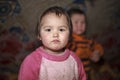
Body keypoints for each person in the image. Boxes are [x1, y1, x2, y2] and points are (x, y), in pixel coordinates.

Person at [18, 6, 86, 80]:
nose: (55, 34)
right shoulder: (32, 61)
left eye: (61, 29)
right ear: (39, 35)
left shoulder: (74, 60)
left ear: (69, 35)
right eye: (48, 30)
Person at [67, 7, 104, 80]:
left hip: (85, 73)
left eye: (83, 22)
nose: (80, 25)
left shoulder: (88, 41)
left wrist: (97, 53)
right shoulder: (68, 39)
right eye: (76, 22)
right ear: (67, 24)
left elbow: (98, 47)